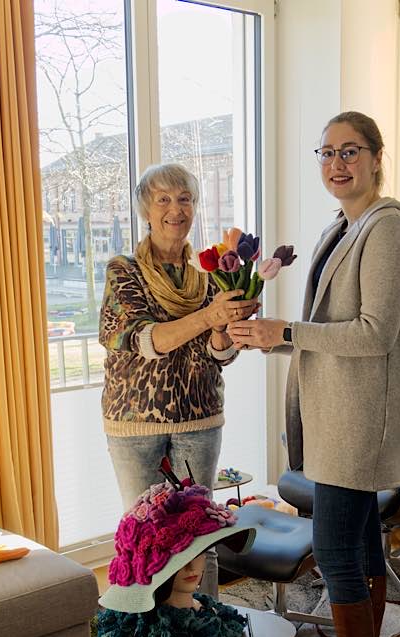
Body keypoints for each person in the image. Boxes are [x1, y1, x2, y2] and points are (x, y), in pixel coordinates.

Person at [227, 111, 400, 637]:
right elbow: (329, 332)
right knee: (362, 545)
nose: (337, 164)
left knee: (334, 549)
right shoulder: (341, 226)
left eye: (350, 151)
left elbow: (374, 333)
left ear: (376, 158)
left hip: (358, 420)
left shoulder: (387, 229)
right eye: (327, 153)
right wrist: (274, 340)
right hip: (334, 412)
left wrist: (288, 332)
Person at [99, 163, 259, 597]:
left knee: (198, 534)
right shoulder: (123, 271)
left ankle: (202, 619)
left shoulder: (210, 273)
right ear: (146, 212)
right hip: (135, 421)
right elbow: (147, 340)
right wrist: (210, 315)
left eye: (184, 199)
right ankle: (148, 630)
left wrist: (227, 324)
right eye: (163, 200)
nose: (176, 209)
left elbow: (218, 355)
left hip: (200, 418)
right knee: (145, 533)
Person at [89, 479, 256, 637]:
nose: (190, 568)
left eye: (196, 554)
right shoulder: (154, 630)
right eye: (179, 560)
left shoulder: (214, 619)